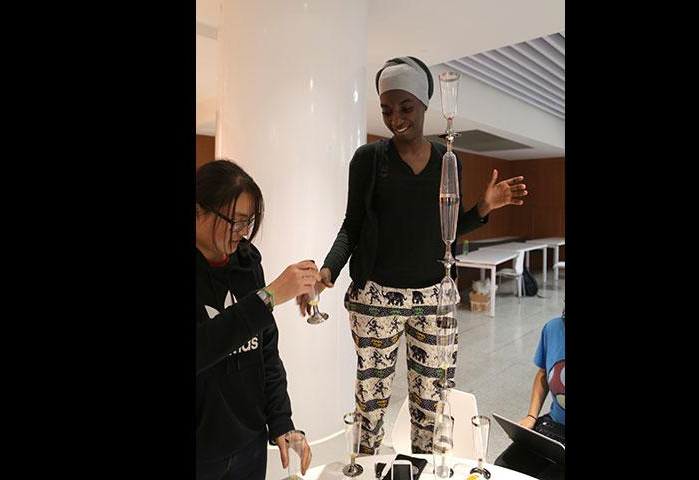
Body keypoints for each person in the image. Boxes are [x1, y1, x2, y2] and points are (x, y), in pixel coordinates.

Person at [299, 56, 528, 454]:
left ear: (424, 104)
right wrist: (328, 269)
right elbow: (352, 225)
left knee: (432, 404)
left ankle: (424, 468)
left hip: (434, 298)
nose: (396, 119)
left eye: (405, 108)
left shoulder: (447, 159)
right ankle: (365, 469)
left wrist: (484, 207)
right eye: (387, 110)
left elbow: (448, 230)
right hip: (376, 300)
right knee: (371, 403)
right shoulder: (368, 160)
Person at [196, 159, 317, 480]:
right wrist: (268, 297)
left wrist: (280, 421)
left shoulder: (247, 262)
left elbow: (265, 350)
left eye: (249, 222)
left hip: (250, 444)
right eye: (235, 221)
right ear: (198, 211)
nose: (243, 232)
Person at [493, 308, 565, 477]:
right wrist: (531, 417)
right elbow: (543, 373)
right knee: (503, 466)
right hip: (555, 426)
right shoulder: (553, 329)